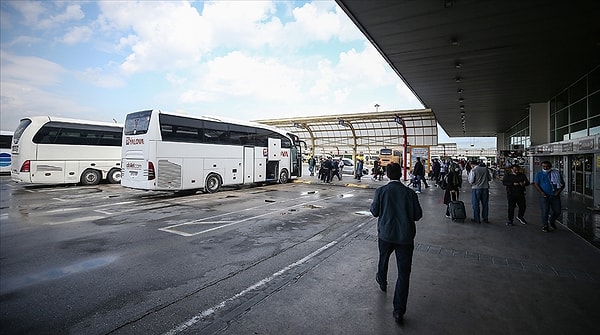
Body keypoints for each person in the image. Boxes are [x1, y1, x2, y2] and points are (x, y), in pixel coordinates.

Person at [369, 163, 423, 324]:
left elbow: (374, 211)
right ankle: (399, 310)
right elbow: (418, 215)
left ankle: (382, 280)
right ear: (401, 174)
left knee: (383, 259)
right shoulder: (409, 193)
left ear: (387, 175)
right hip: (405, 238)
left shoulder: (381, 191)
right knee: (404, 274)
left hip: (385, 235)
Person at [533, 161, 565, 232]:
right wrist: (541, 192)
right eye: (544, 166)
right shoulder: (539, 174)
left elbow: (562, 184)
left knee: (557, 211)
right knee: (545, 211)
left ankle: (552, 221)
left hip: (555, 195)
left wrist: (558, 192)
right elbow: (536, 184)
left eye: (547, 166)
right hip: (544, 196)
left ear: (550, 166)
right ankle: (545, 225)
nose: (545, 168)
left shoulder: (556, 173)